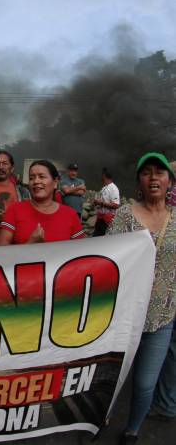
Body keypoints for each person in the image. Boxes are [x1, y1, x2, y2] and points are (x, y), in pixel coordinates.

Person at [106, 152, 175, 445]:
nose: (153, 177)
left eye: (160, 172)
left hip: (161, 318)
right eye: (146, 172)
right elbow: (107, 258)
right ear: (139, 182)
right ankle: (97, 420)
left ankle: (133, 429)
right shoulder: (125, 215)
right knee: (107, 380)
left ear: (170, 181)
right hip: (123, 316)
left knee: (145, 383)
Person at [0, 160, 85, 245]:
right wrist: (30, 245)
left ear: (55, 182)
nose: (36, 181)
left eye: (42, 177)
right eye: (31, 178)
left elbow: (81, 253)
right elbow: (2, 253)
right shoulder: (14, 210)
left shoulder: (71, 215)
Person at [93, 167, 120, 237]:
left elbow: (116, 205)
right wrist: (96, 202)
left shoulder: (113, 188)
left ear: (104, 175)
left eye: (102, 174)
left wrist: (101, 203)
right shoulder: (104, 188)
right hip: (100, 219)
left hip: (107, 221)